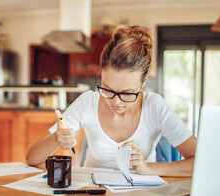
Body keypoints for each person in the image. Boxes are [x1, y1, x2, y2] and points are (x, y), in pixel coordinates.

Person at [26, 25, 197, 177]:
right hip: (93, 193)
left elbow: (200, 162)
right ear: (100, 76)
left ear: (143, 82)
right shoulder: (88, 102)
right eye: (107, 89)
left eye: (127, 93)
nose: (116, 102)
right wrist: (57, 138)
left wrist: (148, 168)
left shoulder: (155, 106)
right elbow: (32, 159)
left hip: (141, 195)